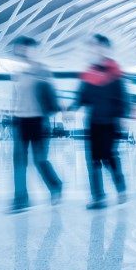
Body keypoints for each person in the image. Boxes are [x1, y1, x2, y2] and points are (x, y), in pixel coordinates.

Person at [71, 34, 128, 210]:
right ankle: (98, 197)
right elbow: (82, 97)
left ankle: (120, 188)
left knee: (108, 156)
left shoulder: (115, 72)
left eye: (97, 46)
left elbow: (122, 97)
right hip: (93, 122)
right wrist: (72, 108)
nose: (94, 49)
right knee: (94, 159)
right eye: (92, 46)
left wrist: (123, 116)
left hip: (111, 122)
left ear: (106, 48)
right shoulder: (88, 74)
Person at [9, 36, 63, 213]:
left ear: (32, 49)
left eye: (25, 48)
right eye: (19, 48)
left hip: (39, 121)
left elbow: (51, 97)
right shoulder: (17, 73)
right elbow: (15, 98)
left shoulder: (42, 71)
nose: (22, 51)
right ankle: (21, 199)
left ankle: (55, 186)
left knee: (39, 160)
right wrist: (12, 114)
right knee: (19, 162)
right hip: (20, 120)